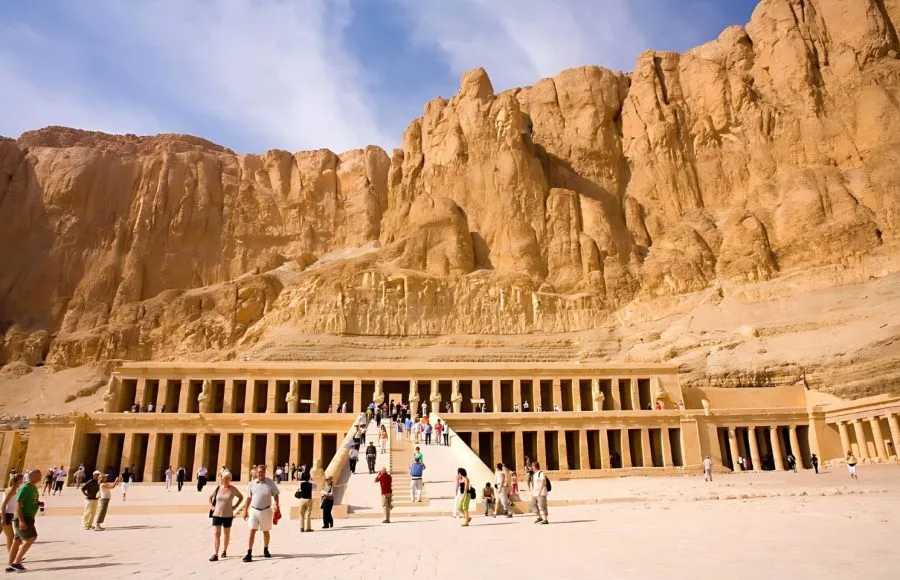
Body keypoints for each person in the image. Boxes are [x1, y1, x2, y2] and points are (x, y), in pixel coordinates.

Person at [238, 464, 280, 562]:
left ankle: (266, 549)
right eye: (259, 472)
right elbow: (248, 498)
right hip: (254, 510)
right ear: (256, 472)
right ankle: (249, 552)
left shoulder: (270, 483)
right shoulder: (252, 483)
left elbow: (276, 495)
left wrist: (276, 504)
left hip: (266, 510)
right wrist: (245, 511)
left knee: (266, 531)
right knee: (252, 531)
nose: (260, 473)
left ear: (265, 472)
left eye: (262, 472)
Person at [6, 470, 42, 573]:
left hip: (29, 517)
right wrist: (21, 520)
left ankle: (10, 565)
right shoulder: (25, 487)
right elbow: (18, 503)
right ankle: (16, 563)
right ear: (32, 476)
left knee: (17, 541)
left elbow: (32, 500)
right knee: (31, 537)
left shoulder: (33, 488)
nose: (40, 478)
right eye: (39, 476)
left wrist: (38, 503)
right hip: (23, 517)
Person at [209, 471, 244, 561]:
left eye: (227, 478)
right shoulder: (218, 488)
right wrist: (212, 506)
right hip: (217, 514)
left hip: (228, 515)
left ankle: (224, 550)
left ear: (230, 479)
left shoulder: (233, 489)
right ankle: (216, 554)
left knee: (226, 534)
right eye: (224, 478)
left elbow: (241, 497)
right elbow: (210, 497)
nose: (225, 480)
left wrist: (235, 506)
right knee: (217, 534)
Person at [1, 473, 24, 552]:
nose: (23, 481)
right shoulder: (12, 490)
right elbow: (4, 504)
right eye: (22, 479)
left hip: (7, 515)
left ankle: (13, 556)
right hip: (5, 515)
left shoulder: (14, 489)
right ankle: (12, 557)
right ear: (18, 480)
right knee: (10, 536)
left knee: (10, 536)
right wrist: (3, 519)